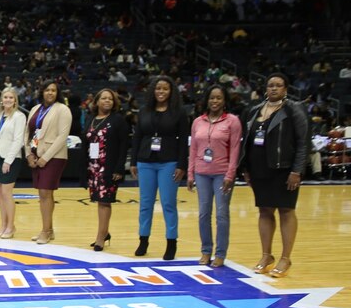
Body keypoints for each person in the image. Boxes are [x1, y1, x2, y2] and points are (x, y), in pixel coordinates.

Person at [241, 73, 309, 277]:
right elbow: (247, 141)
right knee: (264, 211)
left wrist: (297, 170)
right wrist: (245, 168)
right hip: (259, 169)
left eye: (278, 85)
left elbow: (303, 142)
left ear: (285, 89)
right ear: (265, 88)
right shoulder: (254, 110)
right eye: (270, 85)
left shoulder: (294, 109)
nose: (274, 88)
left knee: (286, 211)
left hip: (285, 170)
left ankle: (285, 258)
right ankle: (266, 255)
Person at [131, 76, 189, 259]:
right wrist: (133, 161)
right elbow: (137, 137)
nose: (161, 92)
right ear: (153, 91)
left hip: (169, 162)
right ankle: (143, 240)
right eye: (158, 88)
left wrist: (182, 164)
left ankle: (171, 242)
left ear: (171, 91)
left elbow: (183, 142)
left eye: (165, 89)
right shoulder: (144, 111)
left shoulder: (179, 113)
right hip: (145, 161)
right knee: (145, 204)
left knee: (168, 204)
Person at [187, 84, 242, 267]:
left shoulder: (232, 121)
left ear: (224, 100)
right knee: (203, 214)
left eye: (219, 98)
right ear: (207, 100)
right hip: (201, 173)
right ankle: (205, 251)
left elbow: (235, 150)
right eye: (212, 98)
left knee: (221, 214)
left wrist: (230, 174)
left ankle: (220, 253)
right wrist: (190, 174)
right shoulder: (197, 122)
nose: (215, 101)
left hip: (222, 174)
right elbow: (193, 149)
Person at [83, 88, 130, 251]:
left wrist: (119, 169)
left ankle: (100, 238)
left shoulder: (118, 120)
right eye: (104, 98)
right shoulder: (90, 119)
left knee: (104, 202)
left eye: (110, 99)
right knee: (98, 200)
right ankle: (105, 232)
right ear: (96, 102)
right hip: (93, 167)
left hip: (109, 167)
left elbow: (124, 146)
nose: (107, 101)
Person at [26, 80, 71, 244]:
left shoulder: (63, 109)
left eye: (53, 90)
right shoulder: (35, 109)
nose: (50, 93)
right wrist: (29, 154)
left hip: (55, 156)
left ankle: (45, 231)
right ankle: (49, 230)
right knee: (44, 194)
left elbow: (62, 137)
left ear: (57, 93)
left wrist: (46, 157)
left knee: (45, 193)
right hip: (37, 155)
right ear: (42, 92)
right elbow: (31, 134)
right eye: (47, 90)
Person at [0, 87, 27, 239]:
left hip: (11, 158)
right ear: (1, 99)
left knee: (7, 193)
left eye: (11, 98)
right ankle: (3, 225)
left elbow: (18, 140)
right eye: (6, 97)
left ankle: (11, 227)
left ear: (15, 100)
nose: (8, 100)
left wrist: (8, 160)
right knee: (0, 194)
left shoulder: (19, 117)